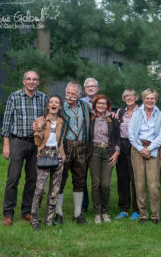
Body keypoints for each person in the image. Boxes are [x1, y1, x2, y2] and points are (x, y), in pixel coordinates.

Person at [1, 71, 48, 226]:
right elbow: (6, 122)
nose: (31, 82)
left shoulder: (43, 98)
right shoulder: (14, 97)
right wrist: (6, 144)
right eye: (28, 79)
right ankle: (8, 213)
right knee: (13, 178)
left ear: (38, 83)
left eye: (34, 79)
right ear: (23, 81)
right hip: (18, 142)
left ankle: (27, 211)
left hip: (36, 143)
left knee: (32, 178)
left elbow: (47, 121)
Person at [54, 81, 91, 225]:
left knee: (80, 180)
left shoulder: (85, 106)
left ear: (79, 95)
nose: (69, 96)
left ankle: (78, 214)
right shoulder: (59, 106)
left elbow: (99, 114)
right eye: (68, 93)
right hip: (64, 148)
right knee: (60, 180)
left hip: (81, 147)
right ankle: (58, 214)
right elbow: (48, 117)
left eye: (73, 94)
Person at [128, 88, 161, 224]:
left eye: (152, 98)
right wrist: (140, 148)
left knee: (153, 185)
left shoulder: (160, 115)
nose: (150, 100)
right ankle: (143, 214)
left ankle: (155, 215)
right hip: (137, 149)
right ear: (143, 99)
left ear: (155, 100)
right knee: (139, 184)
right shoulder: (136, 113)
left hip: (152, 150)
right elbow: (131, 133)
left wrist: (149, 148)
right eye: (147, 98)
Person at [30, 95, 66, 230]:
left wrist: (63, 156)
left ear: (60, 107)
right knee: (40, 189)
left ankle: (49, 220)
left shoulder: (63, 122)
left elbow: (62, 141)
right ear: (48, 106)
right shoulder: (41, 120)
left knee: (54, 191)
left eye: (56, 102)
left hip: (58, 156)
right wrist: (38, 129)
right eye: (51, 102)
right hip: (44, 155)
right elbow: (37, 143)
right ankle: (34, 219)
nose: (53, 104)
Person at [88, 95, 120, 224]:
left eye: (104, 104)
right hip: (94, 152)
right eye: (98, 103)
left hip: (108, 153)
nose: (101, 106)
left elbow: (118, 137)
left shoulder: (112, 118)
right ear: (95, 104)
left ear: (107, 106)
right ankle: (97, 213)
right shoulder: (90, 118)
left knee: (105, 185)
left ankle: (105, 212)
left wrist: (117, 151)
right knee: (96, 184)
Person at [114, 89, 140, 221]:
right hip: (122, 147)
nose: (129, 98)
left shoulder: (140, 111)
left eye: (131, 95)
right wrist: (117, 148)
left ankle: (137, 209)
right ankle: (124, 208)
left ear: (136, 98)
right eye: (126, 96)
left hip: (135, 146)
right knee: (122, 179)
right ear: (124, 99)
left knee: (136, 179)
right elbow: (116, 131)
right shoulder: (120, 112)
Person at [80, 78, 99, 213]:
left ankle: (99, 205)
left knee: (97, 177)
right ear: (84, 89)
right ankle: (83, 204)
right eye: (88, 86)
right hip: (83, 143)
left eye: (93, 86)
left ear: (97, 88)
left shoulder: (103, 101)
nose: (91, 88)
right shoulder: (80, 103)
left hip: (98, 144)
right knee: (81, 175)